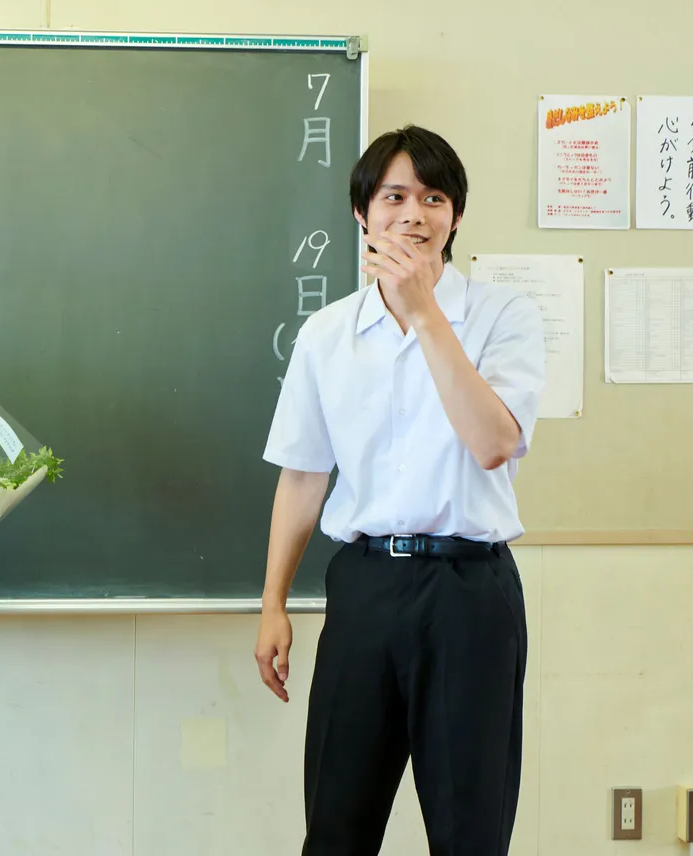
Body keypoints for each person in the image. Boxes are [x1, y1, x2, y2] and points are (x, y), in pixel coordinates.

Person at [254, 126, 546, 855]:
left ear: (455, 216)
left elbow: (494, 443)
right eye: (394, 196)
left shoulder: (504, 317)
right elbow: (302, 477)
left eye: (434, 197)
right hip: (366, 588)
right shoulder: (327, 335)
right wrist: (272, 607)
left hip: (469, 591)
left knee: (469, 829)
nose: (414, 213)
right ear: (363, 213)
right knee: (337, 826)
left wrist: (423, 312)